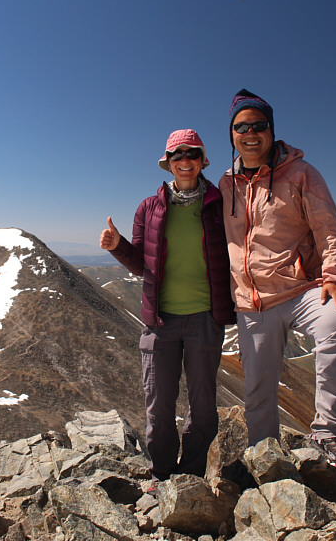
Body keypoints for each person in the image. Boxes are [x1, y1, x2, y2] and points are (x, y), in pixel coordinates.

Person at [219, 90, 336, 468]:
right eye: (241, 127)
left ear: (272, 129)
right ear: (231, 134)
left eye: (258, 125)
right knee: (258, 390)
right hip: (253, 301)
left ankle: (328, 435)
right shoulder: (226, 184)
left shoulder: (301, 174)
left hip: (301, 289)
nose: (250, 133)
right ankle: (264, 457)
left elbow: (329, 228)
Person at [100, 129, 235, 481]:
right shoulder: (149, 208)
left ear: (202, 161)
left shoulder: (219, 203)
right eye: (177, 155)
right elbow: (141, 264)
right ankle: (161, 473)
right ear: (168, 163)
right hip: (160, 321)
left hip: (205, 318)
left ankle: (191, 476)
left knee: (203, 405)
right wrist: (118, 246)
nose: (185, 161)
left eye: (192, 154)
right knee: (158, 403)